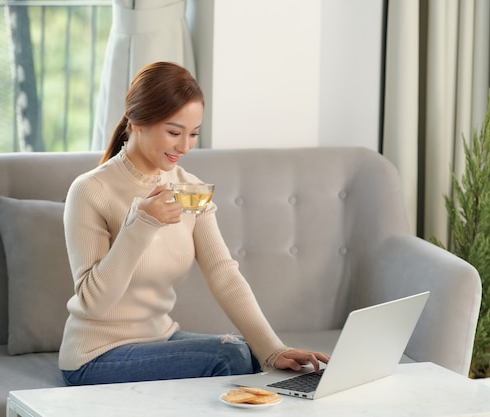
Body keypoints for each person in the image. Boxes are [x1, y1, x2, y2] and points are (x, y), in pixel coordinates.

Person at [58, 61, 329, 386]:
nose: (185, 147)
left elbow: (224, 274)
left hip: (158, 339)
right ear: (137, 121)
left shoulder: (189, 188)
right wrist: (142, 224)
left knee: (253, 353)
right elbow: (93, 303)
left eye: (194, 134)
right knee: (229, 357)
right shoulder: (91, 190)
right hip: (94, 356)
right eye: (174, 132)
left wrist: (273, 351)